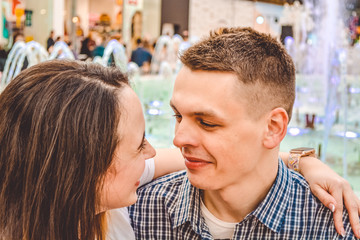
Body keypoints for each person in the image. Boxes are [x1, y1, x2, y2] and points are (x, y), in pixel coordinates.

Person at [0, 60, 358, 240]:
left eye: (207, 121)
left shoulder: (117, 201)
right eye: (139, 144)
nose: (160, 149)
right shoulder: (140, 214)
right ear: (85, 166)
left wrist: (303, 162)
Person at [128, 27, 360, 239]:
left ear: (273, 127)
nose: (178, 139)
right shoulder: (137, 212)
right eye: (178, 116)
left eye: (207, 123)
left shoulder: (335, 227)